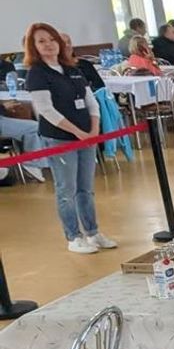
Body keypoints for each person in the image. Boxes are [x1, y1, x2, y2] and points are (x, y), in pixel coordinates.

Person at [22, 24, 114, 253]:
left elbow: (90, 100)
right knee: (67, 190)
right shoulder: (37, 74)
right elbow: (46, 110)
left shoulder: (71, 68)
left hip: (86, 136)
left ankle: (92, 232)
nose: (49, 44)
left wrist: (93, 130)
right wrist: (77, 132)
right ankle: (74, 236)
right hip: (60, 138)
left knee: (86, 188)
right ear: (33, 47)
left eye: (52, 39)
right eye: (41, 41)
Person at [125, 36, 174, 131]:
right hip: (155, 93)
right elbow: (158, 74)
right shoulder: (145, 60)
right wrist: (152, 60)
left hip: (140, 97)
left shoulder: (131, 60)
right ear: (143, 47)